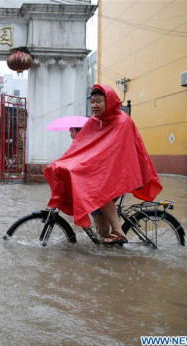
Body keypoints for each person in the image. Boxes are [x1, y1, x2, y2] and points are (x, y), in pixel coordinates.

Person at [44, 84, 162, 244]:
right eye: (92, 101)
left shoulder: (122, 121)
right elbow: (82, 147)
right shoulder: (94, 122)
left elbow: (111, 152)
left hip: (119, 172)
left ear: (110, 102)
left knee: (101, 190)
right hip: (103, 172)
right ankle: (109, 251)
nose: (94, 105)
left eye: (98, 101)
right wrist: (65, 163)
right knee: (99, 221)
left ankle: (119, 232)